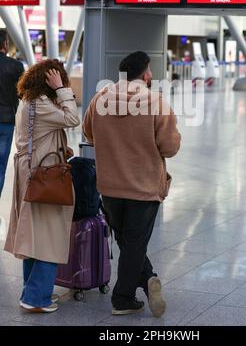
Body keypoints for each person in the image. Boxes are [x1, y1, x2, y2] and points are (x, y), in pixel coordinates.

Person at [83, 51, 181, 317]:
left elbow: (88, 133)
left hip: (110, 185)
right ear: (146, 75)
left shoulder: (100, 98)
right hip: (144, 186)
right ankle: (122, 298)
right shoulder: (156, 102)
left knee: (127, 242)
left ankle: (148, 279)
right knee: (135, 243)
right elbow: (170, 147)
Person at [4, 59, 80, 313]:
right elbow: (72, 118)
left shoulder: (30, 100)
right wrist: (62, 89)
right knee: (49, 234)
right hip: (44, 176)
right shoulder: (42, 103)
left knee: (35, 235)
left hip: (32, 171)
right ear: (50, 80)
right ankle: (37, 297)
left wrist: (59, 146)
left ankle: (34, 291)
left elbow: (42, 133)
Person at [0, 31, 24, 197]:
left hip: (7, 120)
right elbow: (23, 93)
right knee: (0, 164)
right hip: (6, 120)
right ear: (5, 44)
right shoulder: (16, 66)